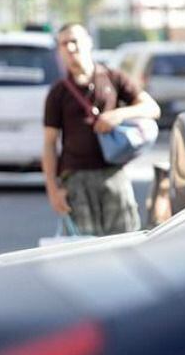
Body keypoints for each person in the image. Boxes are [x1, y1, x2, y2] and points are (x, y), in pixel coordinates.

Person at [42, 23, 160, 236]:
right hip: (75, 180)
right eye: (63, 44)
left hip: (113, 175)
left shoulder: (113, 78)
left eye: (74, 42)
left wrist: (118, 115)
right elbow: (49, 143)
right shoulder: (58, 92)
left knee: (125, 243)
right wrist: (52, 189)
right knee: (83, 252)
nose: (70, 48)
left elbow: (152, 108)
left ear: (88, 43)